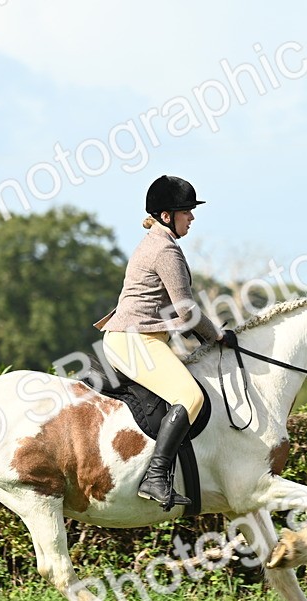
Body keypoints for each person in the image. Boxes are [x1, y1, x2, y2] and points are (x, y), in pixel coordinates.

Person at [93, 175, 226, 510]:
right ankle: (155, 476)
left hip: (136, 337)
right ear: (167, 216)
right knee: (190, 396)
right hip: (135, 341)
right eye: (186, 212)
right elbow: (185, 310)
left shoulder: (155, 242)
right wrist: (218, 336)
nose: (192, 218)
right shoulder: (166, 249)